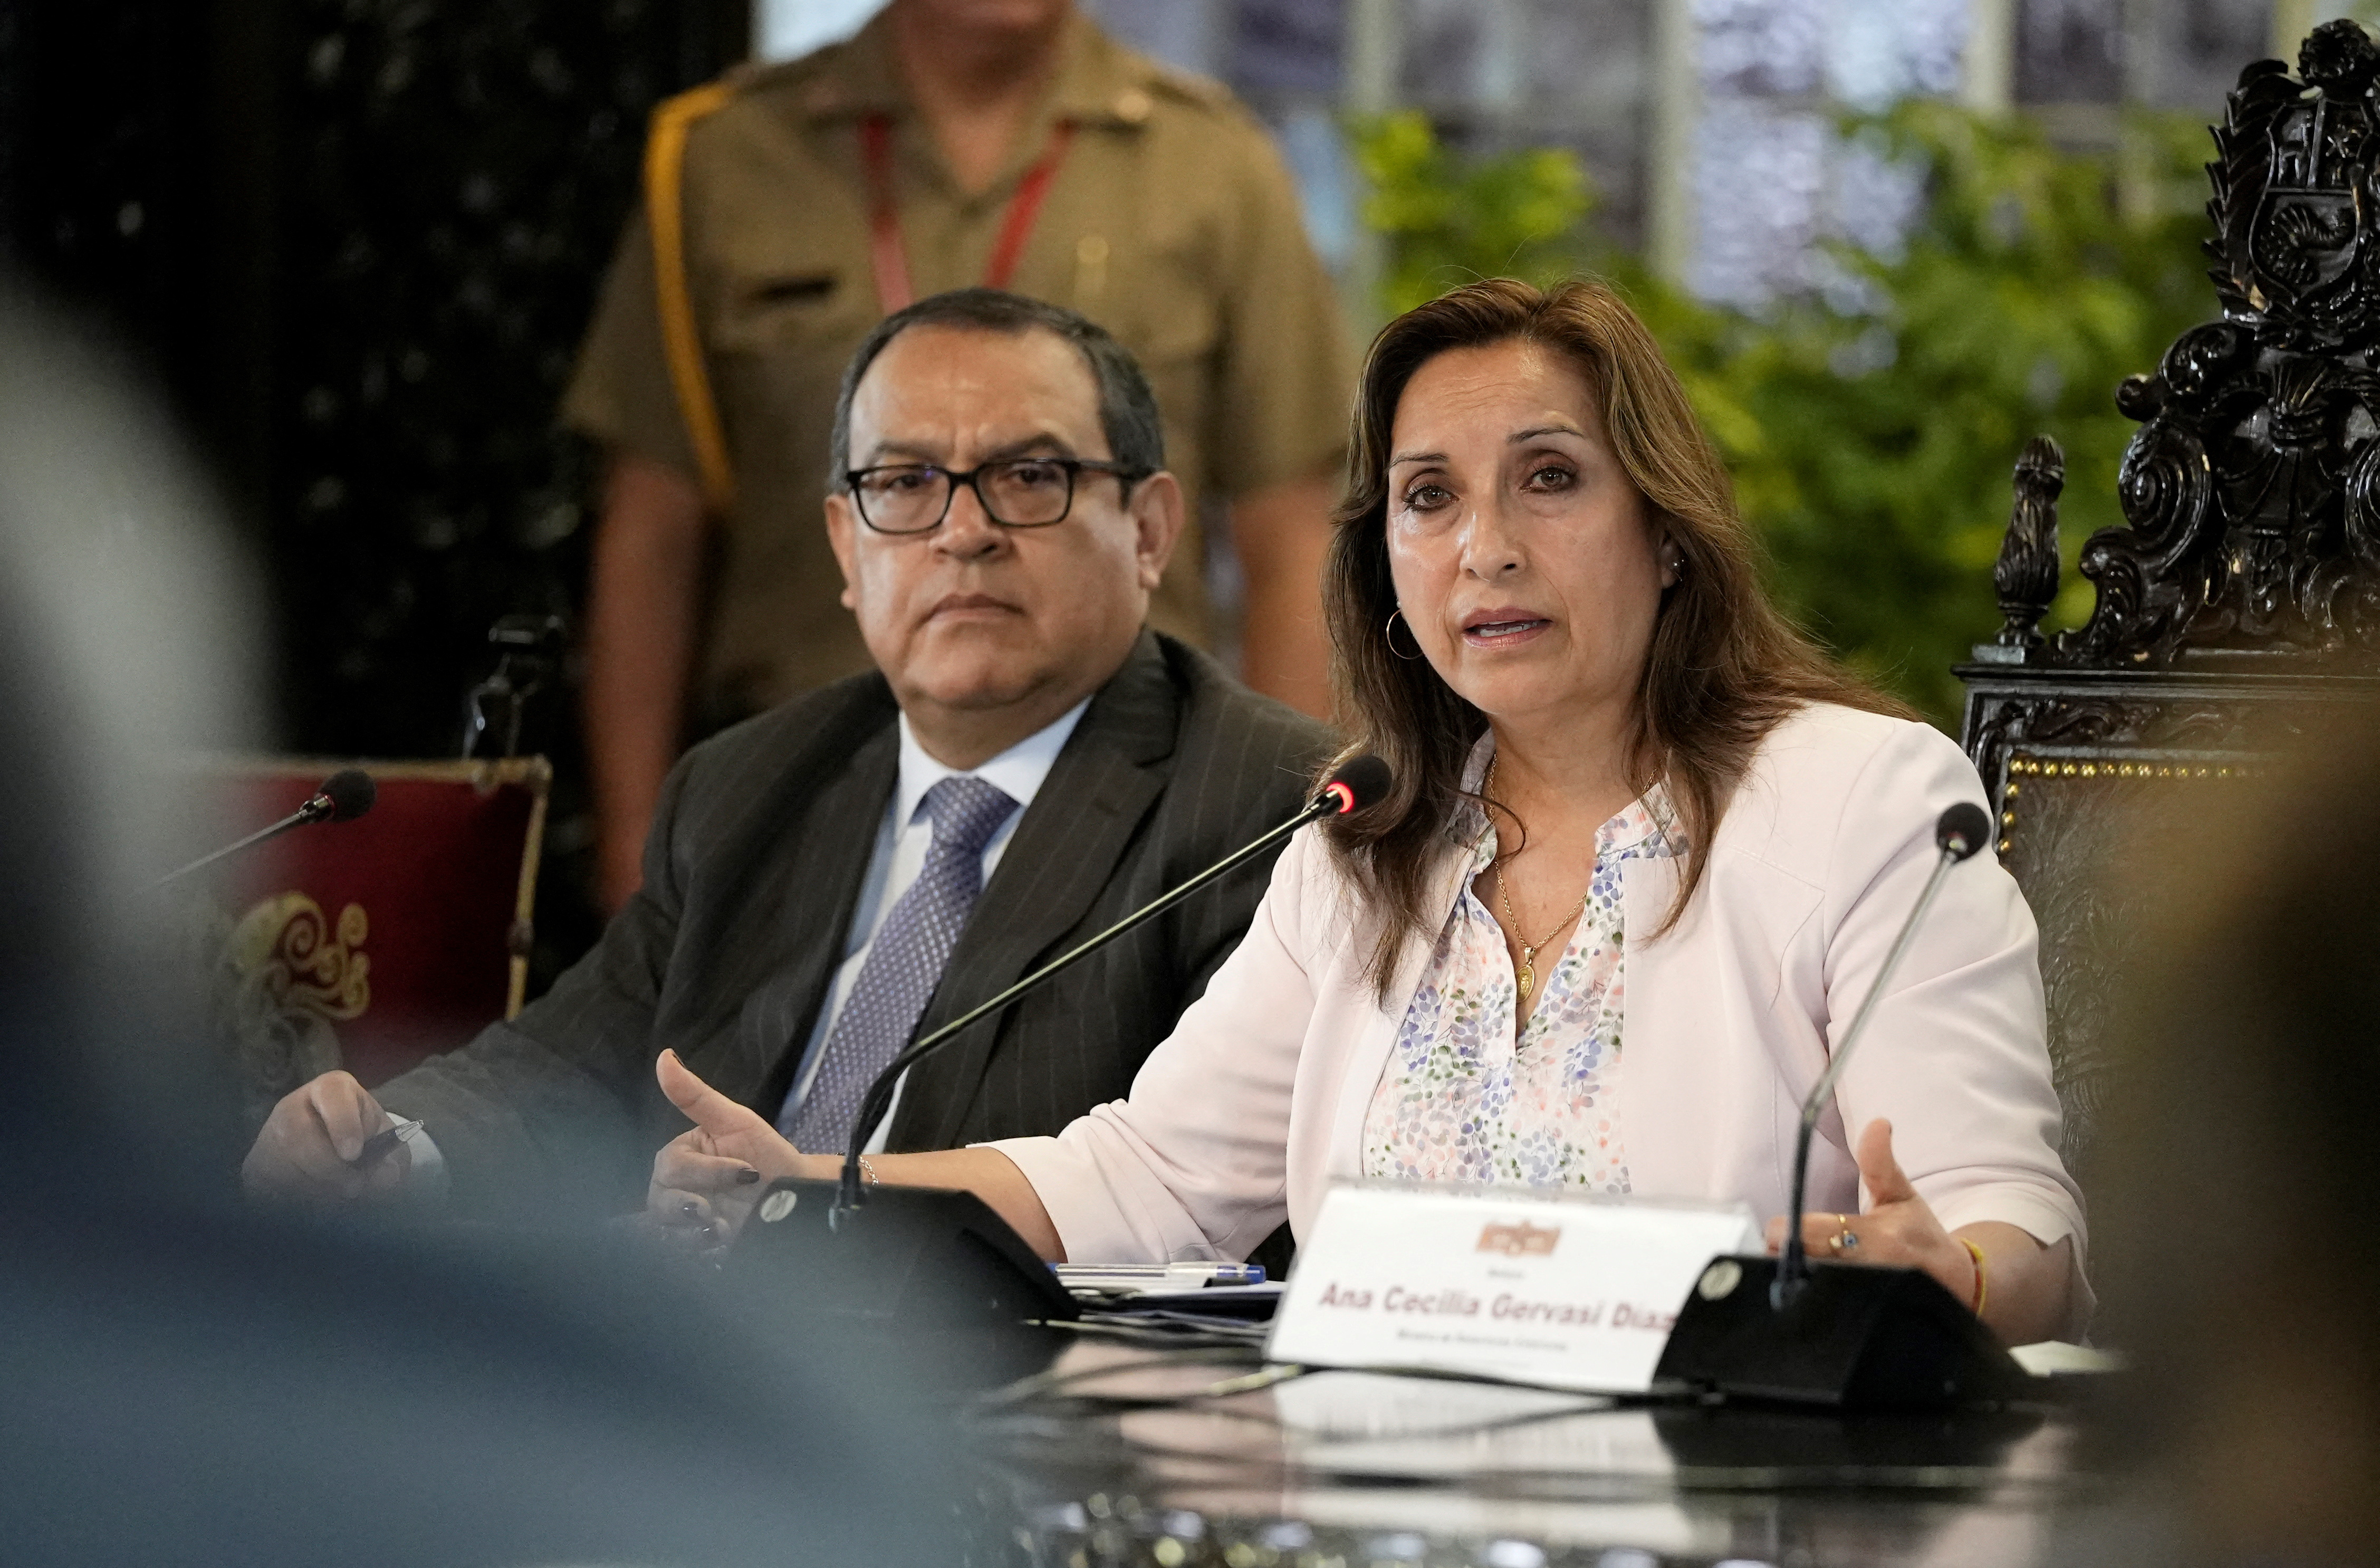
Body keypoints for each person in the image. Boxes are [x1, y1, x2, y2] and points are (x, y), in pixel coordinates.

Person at [647, 277, 2089, 1347]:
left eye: (1549, 479)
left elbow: (2019, 1229)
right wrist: (824, 1185)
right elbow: (1148, 1174)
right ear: (1385, 568)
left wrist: (1948, 1279)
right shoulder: (1368, 842)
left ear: (1663, 528)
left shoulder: (1858, 801)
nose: (1488, 548)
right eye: (1428, 496)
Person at [242, 290, 1332, 1219]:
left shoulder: (1264, 812)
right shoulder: (750, 785)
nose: (964, 530)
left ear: (1149, 530)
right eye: (903, 483)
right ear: (844, 549)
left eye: (1030, 477)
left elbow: (1178, 1196)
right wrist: (389, 1145)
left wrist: (802, 1210)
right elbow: (565, 1064)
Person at [571, 0, 1354, 911]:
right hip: (790, 830)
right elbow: (653, 535)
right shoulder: (726, 160)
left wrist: (1284, 859)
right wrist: (634, 858)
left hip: (1126, 842)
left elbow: (1291, 538)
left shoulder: (1213, 167)